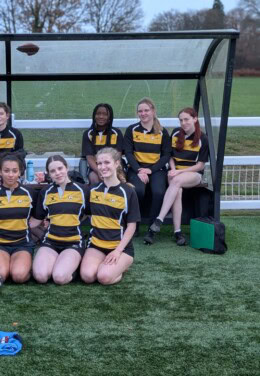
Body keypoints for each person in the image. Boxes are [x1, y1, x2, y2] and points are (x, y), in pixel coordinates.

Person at [149, 107, 209, 246]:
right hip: (175, 172)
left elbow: (200, 165)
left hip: (193, 174)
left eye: (186, 119)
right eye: (181, 120)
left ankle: (159, 219)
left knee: (176, 181)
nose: (183, 123)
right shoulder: (176, 133)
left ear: (195, 119)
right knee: (178, 190)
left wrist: (179, 172)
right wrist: (174, 169)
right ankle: (177, 232)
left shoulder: (203, 138)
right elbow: (169, 156)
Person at [80, 147, 140, 285]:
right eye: (99, 163)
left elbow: (132, 226)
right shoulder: (93, 190)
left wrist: (118, 251)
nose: (102, 167)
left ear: (117, 163)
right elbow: (85, 215)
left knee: (104, 277)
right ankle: (106, 265)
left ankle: (121, 266)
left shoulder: (128, 192)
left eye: (107, 162)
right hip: (96, 244)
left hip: (120, 247)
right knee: (87, 276)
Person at [30, 155, 89, 285]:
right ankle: (60, 262)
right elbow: (37, 219)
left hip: (73, 242)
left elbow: (89, 214)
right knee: (40, 276)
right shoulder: (45, 192)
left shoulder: (83, 190)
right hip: (50, 241)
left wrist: (71, 220)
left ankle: (74, 267)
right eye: (52, 171)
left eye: (60, 168)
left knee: (59, 277)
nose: (57, 173)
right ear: (49, 174)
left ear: (66, 167)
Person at [124, 97, 171, 244]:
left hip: (156, 169)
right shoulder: (132, 129)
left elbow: (166, 155)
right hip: (136, 168)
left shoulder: (162, 132)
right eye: (140, 111)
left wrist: (151, 170)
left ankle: (152, 229)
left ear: (153, 111)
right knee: (137, 190)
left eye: (146, 110)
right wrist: (139, 170)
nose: (143, 113)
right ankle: (134, 226)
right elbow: (128, 153)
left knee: (158, 192)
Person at [0, 153, 37, 283]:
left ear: (20, 173)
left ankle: (25, 267)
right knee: (0, 275)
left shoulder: (30, 193)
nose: (10, 174)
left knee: (18, 276)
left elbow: (38, 217)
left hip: (23, 243)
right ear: (0, 172)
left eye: (14, 171)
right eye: (6, 171)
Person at [81, 103, 124, 184]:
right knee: (95, 179)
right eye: (98, 114)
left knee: (119, 179)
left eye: (105, 114)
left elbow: (118, 155)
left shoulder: (116, 133)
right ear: (94, 116)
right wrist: (99, 171)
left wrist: (110, 170)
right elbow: (89, 157)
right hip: (96, 168)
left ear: (109, 117)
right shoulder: (88, 134)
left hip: (114, 167)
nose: (101, 116)